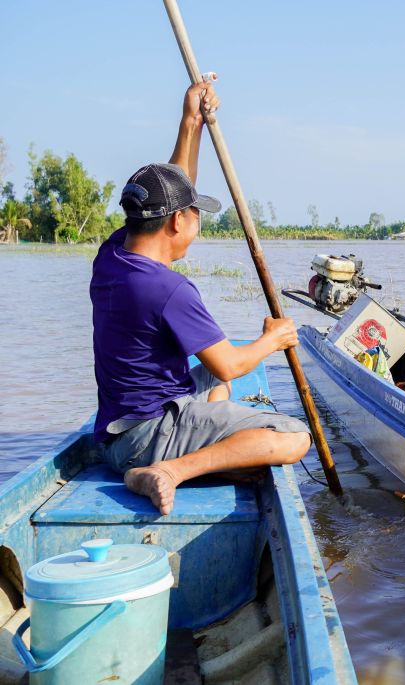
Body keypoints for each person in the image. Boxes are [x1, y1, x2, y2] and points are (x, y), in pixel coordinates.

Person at [90, 81, 311, 516]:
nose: (198, 225)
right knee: (293, 437)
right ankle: (171, 471)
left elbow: (173, 185)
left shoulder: (112, 256)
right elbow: (229, 363)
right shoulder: (168, 288)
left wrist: (190, 121)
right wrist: (274, 339)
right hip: (149, 438)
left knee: (213, 382)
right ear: (177, 222)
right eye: (195, 215)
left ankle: (209, 454)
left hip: (115, 435)